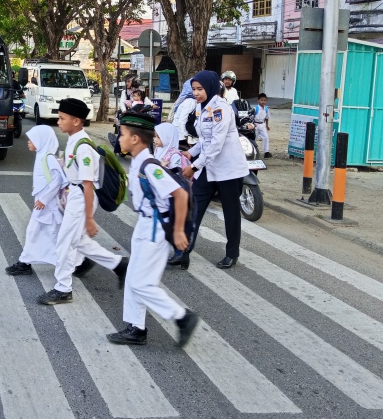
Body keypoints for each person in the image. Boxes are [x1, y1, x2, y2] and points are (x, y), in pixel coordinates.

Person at [106, 111, 199, 347]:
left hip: (155, 229)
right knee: (133, 279)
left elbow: (179, 195)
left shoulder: (149, 165)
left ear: (135, 139)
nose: (119, 138)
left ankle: (181, 317)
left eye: (123, 134)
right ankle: (136, 328)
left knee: (140, 283)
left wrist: (178, 231)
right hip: (144, 223)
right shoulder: (138, 161)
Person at [37, 98, 128, 305]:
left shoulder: (83, 147)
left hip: (82, 197)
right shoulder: (73, 139)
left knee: (65, 242)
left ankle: (63, 289)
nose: (58, 121)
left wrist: (88, 218)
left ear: (76, 121)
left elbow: (88, 184)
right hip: (76, 195)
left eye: (62, 118)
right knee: (79, 241)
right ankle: (119, 265)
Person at [179, 71, 248, 270]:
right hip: (209, 169)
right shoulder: (201, 108)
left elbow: (216, 144)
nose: (196, 93)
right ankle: (184, 251)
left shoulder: (221, 109)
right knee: (194, 208)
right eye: (193, 89)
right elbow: (204, 140)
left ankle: (232, 254)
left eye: (200, 89)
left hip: (229, 170)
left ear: (210, 87)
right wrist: (190, 154)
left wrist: (193, 166)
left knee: (231, 213)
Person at [5, 125, 69, 275]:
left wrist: (44, 200)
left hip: (49, 206)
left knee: (42, 232)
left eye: (32, 140)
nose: (28, 142)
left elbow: (57, 181)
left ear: (41, 140)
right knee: (40, 232)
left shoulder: (48, 158)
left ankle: (26, 263)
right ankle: (25, 262)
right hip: (44, 205)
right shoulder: (42, 155)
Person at [254, 93, 271, 158]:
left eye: (264, 100)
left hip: (262, 124)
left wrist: (267, 125)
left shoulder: (266, 109)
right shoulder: (255, 108)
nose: (263, 102)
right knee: (254, 138)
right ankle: (254, 151)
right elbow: (251, 116)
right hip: (255, 124)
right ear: (258, 100)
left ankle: (266, 151)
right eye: (261, 100)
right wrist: (252, 123)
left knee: (266, 137)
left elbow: (267, 118)